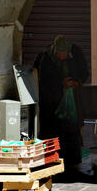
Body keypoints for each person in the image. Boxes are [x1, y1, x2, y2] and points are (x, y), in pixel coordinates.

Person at [34, 35, 89, 169]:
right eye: (60, 54)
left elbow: (84, 73)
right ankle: (52, 160)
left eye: (64, 54)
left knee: (72, 130)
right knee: (52, 131)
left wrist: (76, 83)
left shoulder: (76, 53)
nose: (62, 56)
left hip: (71, 101)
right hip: (51, 104)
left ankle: (72, 161)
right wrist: (61, 84)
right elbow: (43, 81)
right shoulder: (45, 58)